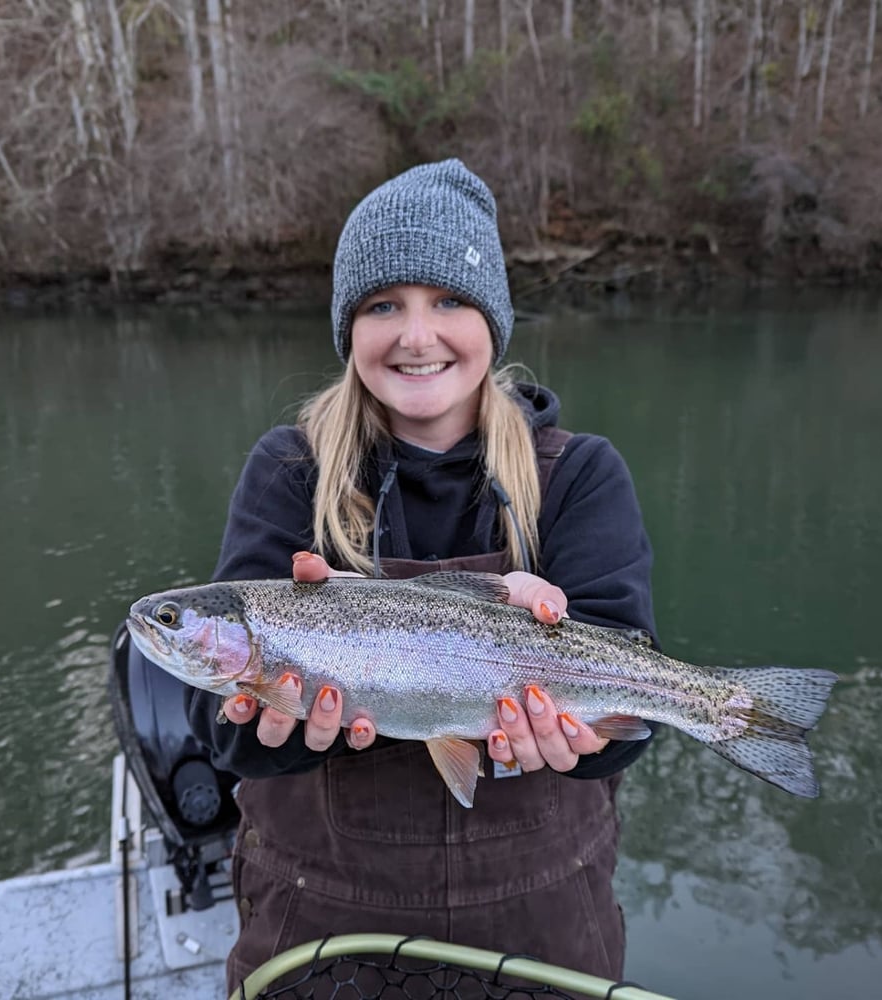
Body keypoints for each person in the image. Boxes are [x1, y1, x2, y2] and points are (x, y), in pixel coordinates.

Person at [185, 159, 657, 992]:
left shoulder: (581, 476)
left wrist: (581, 745)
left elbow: (626, 717)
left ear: (493, 320)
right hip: (321, 930)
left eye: (448, 301)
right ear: (348, 327)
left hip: (543, 933)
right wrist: (276, 724)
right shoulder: (288, 472)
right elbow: (221, 737)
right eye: (383, 306)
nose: (415, 334)